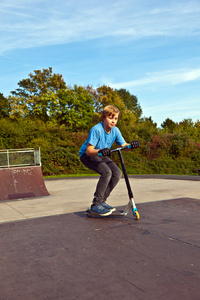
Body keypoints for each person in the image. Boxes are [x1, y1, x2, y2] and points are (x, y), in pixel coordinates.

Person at [79, 105, 138, 216]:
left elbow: (124, 145)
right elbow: (89, 150)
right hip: (88, 155)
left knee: (117, 173)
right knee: (107, 172)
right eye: (110, 118)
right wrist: (101, 151)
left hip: (102, 154)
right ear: (104, 117)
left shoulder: (115, 131)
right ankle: (96, 204)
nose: (113, 121)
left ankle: (102, 201)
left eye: (115, 118)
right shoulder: (96, 129)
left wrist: (131, 146)